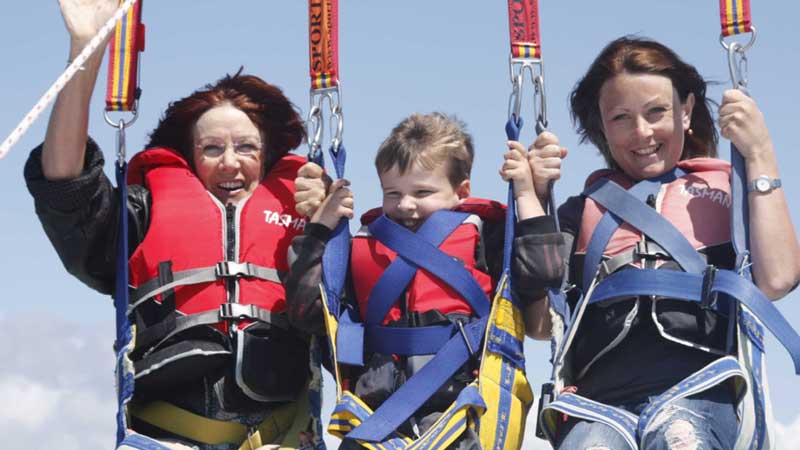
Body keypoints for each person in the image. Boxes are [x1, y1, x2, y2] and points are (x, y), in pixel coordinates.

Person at [24, 1, 328, 449]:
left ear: (267, 157)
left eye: (245, 147)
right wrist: (85, 52)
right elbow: (65, 186)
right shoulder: (142, 214)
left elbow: (357, 309)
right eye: (211, 149)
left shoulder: (307, 215)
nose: (229, 162)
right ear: (190, 157)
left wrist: (326, 229)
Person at [528, 36, 800, 450]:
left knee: (680, 439)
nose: (642, 132)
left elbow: (778, 278)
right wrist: (530, 199)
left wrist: (759, 151)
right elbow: (539, 325)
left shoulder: (729, 192)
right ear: (600, 125)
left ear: (686, 110)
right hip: (600, 407)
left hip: (700, 390)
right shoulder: (576, 212)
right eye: (620, 117)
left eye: (657, 112)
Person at [286, 112, 564, 449]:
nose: (405, 205)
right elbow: (306, 312)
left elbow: (543, 273)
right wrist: (320, 229)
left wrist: (526, 194)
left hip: (460, 411)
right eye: (392, 193)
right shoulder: (361, 244)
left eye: (422, 191)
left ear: (461, 191)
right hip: (374, 415)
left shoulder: (486, 236)